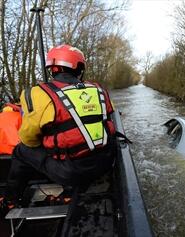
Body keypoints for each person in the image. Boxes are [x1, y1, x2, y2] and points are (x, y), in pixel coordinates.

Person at [0, 44, 117, 213]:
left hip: (71, 172)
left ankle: (10, 200)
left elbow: (28, 138)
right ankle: (69, 192)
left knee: (21, 151)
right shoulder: (99, 90)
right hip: (104, 163)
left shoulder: (39, 93)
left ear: (52, 69)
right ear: (79, 68)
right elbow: (108, 117)